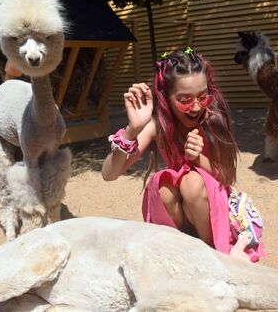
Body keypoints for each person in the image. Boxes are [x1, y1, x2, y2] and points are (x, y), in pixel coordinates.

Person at [102, 49, 263, 262]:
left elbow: (227, 177)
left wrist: (198, 159)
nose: (196, 106)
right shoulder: (158, 126)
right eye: (185, 99)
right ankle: (182, 247)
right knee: (162, 184)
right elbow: (109, 174)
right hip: (183, 212)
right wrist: (133, 129)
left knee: (191, 181)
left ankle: (212, 253)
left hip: (214, 209)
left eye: (203, 96)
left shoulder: (212, 120)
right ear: (166, 98)